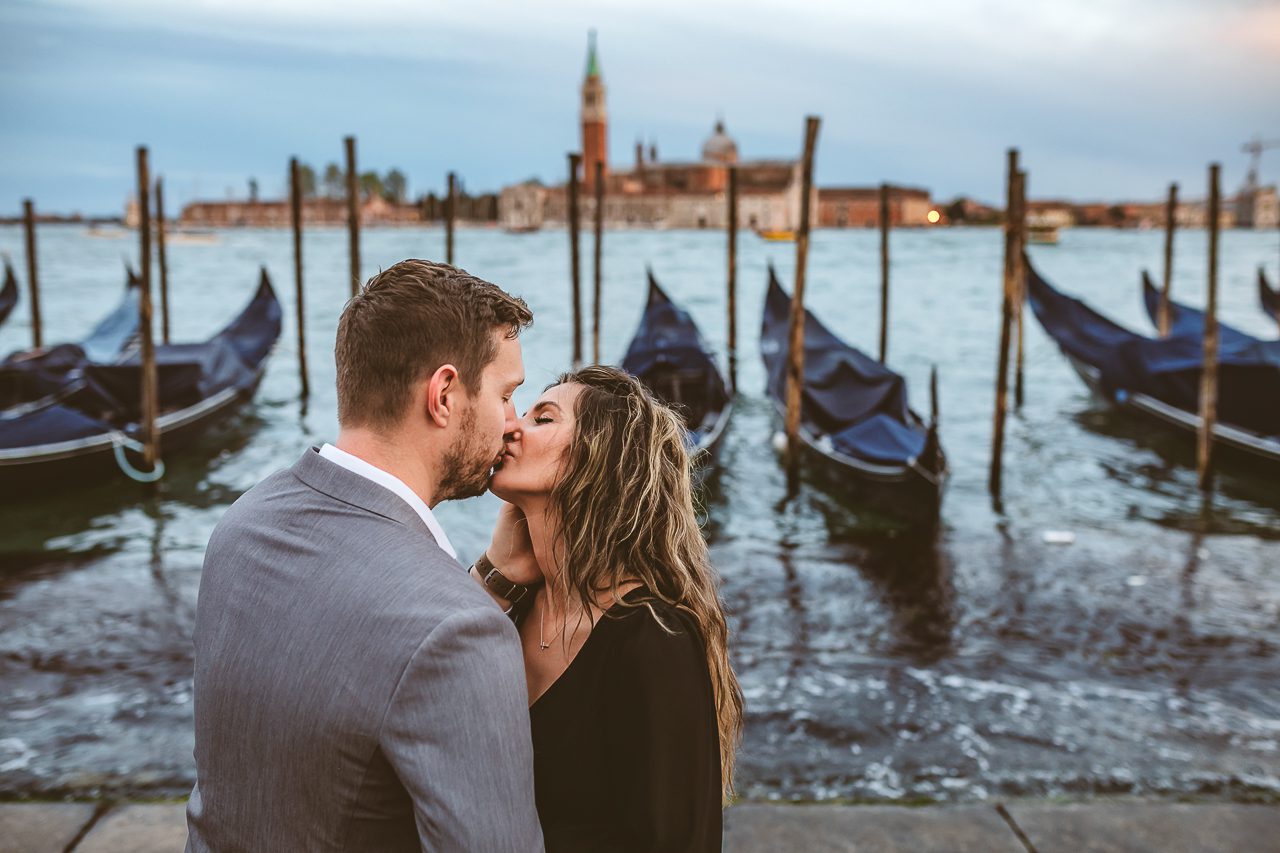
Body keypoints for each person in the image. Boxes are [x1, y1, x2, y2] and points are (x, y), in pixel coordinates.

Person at [185, 260, 544, 852]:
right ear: (444, 395)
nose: (512, 424)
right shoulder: (460, 632)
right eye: (507, 395)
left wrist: (488, 582)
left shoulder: (242, 525)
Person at [471, 365, 744, 852]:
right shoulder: (512, 607)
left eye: (544, 419)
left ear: (597, 460)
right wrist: (493, 573)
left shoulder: (654, 637)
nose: (510, 426)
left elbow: (679, 840)